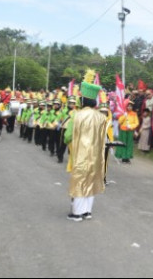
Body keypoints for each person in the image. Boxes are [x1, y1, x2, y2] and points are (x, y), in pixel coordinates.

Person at [64, 73, 107, 222]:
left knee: (79, 181)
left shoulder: (77, 115)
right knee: (91, 180)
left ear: (82, 100)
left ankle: (76, 213)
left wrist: (68, 141)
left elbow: (68, 136)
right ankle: (87, 212)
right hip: (96, 155)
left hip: (81, 154)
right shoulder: (102, 117)